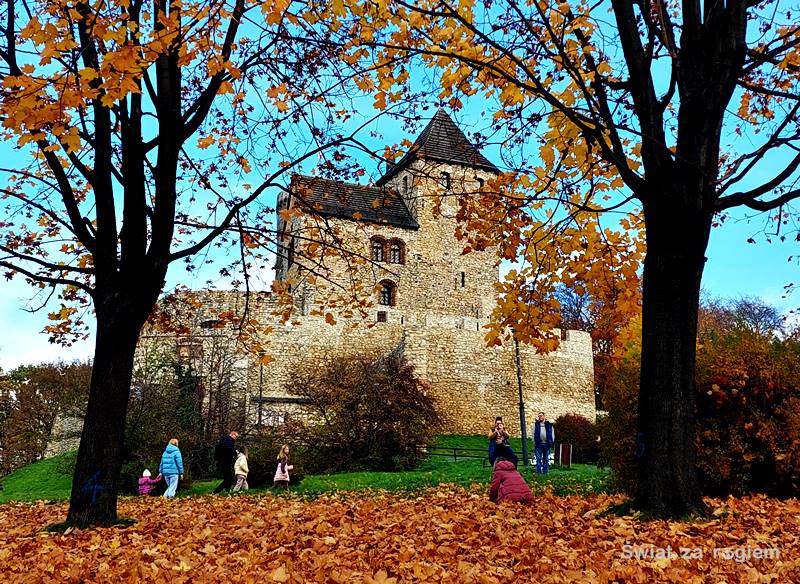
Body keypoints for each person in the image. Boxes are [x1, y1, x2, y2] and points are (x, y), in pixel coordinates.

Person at [213, 430, 239, 494]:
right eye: (236, 436)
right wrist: (235, 452)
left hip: (222, 461)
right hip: (226, 462)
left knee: (228, 478)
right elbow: (229, 449)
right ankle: (216, 491)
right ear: (232, 434)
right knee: (229, 478)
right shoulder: (229, 440)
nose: (236, 438)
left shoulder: (223, 440)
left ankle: (226, 491)